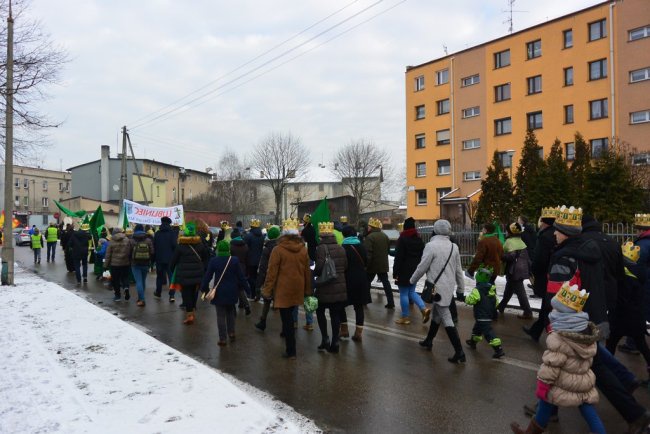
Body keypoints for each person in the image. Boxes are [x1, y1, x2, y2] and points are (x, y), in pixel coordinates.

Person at [510, 283, 605, 434]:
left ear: (563, 314)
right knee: (587, 409)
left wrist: (543, 386)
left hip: (561, 380)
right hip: (583, 379)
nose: (552, 311)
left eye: (556, 309)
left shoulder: (559, 337)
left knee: (546, 400)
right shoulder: (586, 332)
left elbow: (551, 365)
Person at [410, 219, 466, 364]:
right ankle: (429, 340)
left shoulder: (430, 246)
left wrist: (411, 280)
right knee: (436, 315)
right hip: (447, 288)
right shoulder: (454, 247)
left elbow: (422, 267)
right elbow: (459, 271)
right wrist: (460, 288)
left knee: (446, 318)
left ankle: (459, 352)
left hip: (436, 289)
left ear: (434, 230)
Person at [262, 218, 312, 360]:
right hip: (298, 287)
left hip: (283, 289)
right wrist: (308, 290)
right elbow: (307, 272)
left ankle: (291, 350)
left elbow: (271, 272)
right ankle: (287, 338)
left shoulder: (278, 250)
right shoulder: (303, 249)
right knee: (290, 315)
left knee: (287, 320)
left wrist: (267, 290)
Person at [606, 242, 650, 381]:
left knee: (611, 345)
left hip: (620, 317)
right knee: (642, 346)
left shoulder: (623, 276)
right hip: (636, 317)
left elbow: (620, 299)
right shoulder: (641, 273)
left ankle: (608, 371)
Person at [201, 240, 249, 345]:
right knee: (230, 312)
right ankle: (231, 332)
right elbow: (241, 277)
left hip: (219, 292)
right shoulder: (234, 260)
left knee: (220, 315)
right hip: (232, 291)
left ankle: (222, 338)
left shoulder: (214, 261)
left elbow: (207, 276)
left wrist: (204, 288)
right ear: (228, 249)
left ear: (218, 249)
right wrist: (248, 290)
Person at [523, 207, 558, 342]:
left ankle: (551, 334)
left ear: (544, 222)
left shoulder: (544, 236)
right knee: (546, 305)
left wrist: (534, 271)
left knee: (548, 305)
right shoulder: (556, 233)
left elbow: (540, 258)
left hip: (546, 275)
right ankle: (535, 331)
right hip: (553, 274)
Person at [313, 222, 348, 353]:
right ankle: (335, 341)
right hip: (339, 286)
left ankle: (325, 339)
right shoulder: (340, 247)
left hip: (325, 286)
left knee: (320, 311)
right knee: (335, 314)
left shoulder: (321, 248)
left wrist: (314, 273)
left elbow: (319, 267)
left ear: (322, 235)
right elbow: (345, 266)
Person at [170, 222, 209, 324]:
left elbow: (173, 260)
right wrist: (203, 269)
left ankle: (190, 314)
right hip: (197, 274)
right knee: (194, 292)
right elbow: (206, 258)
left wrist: (172, 269)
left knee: (186, 294)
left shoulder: (180, 246)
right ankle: (192, 309)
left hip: (184, 275)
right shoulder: (200, 244)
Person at [393, 217, 429, 325]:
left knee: (404, 293)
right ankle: (424, 309)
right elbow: (423, 255)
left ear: (405, 227)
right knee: (411, 291)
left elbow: (398, 257)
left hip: (404, 270)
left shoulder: (402, 239)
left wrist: (395, 272)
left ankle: (405, 317)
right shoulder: (419, 239)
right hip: (415, 269)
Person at [464, 265, 505, 359]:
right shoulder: (491, 289)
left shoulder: (477, 290)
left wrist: (464, 298)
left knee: (488, 332)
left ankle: (498, 349)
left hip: (481, 315)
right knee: (477, 329)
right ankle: (473, 342)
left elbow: (471, 300)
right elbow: (496, 302)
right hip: (488, 314)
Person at [340, 225, 371, 342]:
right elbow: (367, 261)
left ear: (344, 235)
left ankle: (344, 330)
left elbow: (342, 265)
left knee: (341, 304)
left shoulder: (343, 247)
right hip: (361, 280)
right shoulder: (362, 246)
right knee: (359, 307)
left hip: (347, 279)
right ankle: (358, 333)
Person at [498, 222, 533, 319]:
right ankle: (501, 306)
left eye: (507, 231)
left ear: (510, 232)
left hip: (514, 271)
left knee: (520, 292)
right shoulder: (520, 241)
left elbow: (510, 256)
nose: (505, 232)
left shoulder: (509, 242)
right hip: (521, 269)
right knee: (509, 290)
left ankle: (528, 312)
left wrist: (500, 255)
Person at [254, 225, 281, 332]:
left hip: (268, 278)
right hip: (280, 279)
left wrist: (258, 285)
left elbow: (263, 267)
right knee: (280, 301)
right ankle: (285, 328)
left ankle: (263, 321)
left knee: (266, 300)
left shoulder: (267, 249)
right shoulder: (281, 247)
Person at [364, 217, 394, 309]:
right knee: (386, 283)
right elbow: (388, 250)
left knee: (366, 282)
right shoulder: (385, 236)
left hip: (372, 265)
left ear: (372, 227)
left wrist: (366, 265)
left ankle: (365, 300)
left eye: (369, 226)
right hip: (383, 264)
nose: (368, 228)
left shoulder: (370, 237)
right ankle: (391, 302)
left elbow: (368, 253)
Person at [153, 216, 177, 302]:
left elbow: (154, 246)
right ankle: (171, 295)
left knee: (159, 276)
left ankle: (158, 292)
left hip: (159, 259)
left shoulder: (157, 233)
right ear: (169, 224)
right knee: (171, 277)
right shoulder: (172, 233)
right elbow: (175, 246)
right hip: (170, 259)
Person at [104, 227, 132, 301]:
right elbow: (130, 252)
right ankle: (126, 288)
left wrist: (105, 265)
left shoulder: (112, 241)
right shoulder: (127, 240)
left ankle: (117, 296)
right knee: (125, 278)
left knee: (115, 280)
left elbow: (108, 255)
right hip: (125, 263)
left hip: (114, 265)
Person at [130, 224, 154, 307]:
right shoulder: (148, 239)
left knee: (138, 282)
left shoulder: (132, 239)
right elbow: (152, 252)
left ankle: (142, 299)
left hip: (135, 263)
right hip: (146, 263)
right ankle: (141, 298)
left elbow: (128, 252)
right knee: (143, 281)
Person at [230, 228, 251, 315]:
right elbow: (248, 259)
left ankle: (233, 308)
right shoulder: (245, 246)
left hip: (233, 268)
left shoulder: (231, 246)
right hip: (243, 267)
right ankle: (244, 304)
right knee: (241, 287)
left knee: (233, 288)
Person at [244, 219, 265, 300]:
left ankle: (252, 294)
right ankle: (257, 291)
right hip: (259, 260)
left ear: (251, 226)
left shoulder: (248, 236)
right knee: (256, 277)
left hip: (250, 261)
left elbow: (245, 248)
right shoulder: (262, 236)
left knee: (250, 277)